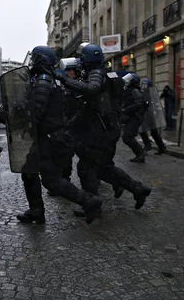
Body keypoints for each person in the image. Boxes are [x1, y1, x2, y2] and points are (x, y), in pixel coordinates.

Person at [57, 44, 152, 215]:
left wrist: (64, 80)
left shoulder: (96, 73)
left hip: (101, 130)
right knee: (104, 168)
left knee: (86, 167)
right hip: (109, 127)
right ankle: (138, 189)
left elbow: (92, 90)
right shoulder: (109, 73)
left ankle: (93, 204)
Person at [15, 45, 103, 225]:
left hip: (49, 138)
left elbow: (36, 112)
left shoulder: (43, 80)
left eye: (35, 59)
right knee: (29, 172)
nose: (32, 62)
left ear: (41, 60)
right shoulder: (44, 79)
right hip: (45, 136)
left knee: (51, 180)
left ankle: (89, 201)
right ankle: (36, 211)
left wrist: (20, 118)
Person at [121, 73, 147, 163]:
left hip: (136, 117)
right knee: (127, 136)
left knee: (127, 136)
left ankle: (140, 152)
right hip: (132, 116)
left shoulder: (135, 90)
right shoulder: (129, 90)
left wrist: (125, 109)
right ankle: (140, 154)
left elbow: (138, 103)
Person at [139, 78, 167, 155]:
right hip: (149, 114)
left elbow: (148, 103)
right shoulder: (145, 92)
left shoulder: (150, 93)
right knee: (152, 132)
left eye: (145, 85)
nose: (144, 86)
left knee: (143, 130)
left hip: (149, 114)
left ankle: (149, 145)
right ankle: (161, 147)